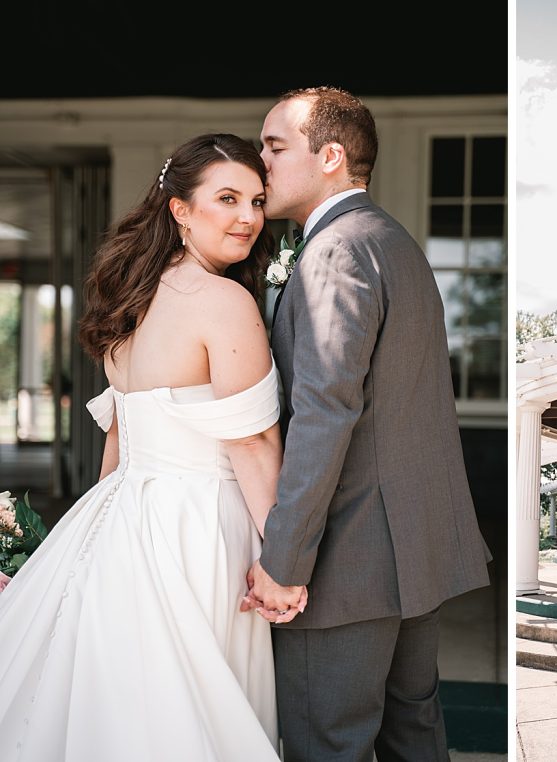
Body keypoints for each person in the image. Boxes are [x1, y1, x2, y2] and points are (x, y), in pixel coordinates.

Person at [0, 133, 290, 760]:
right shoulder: (223, 301)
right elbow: (255, 443)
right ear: (179, 209)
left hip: (121, 515)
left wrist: (97, 524)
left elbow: (119, 441)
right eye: (228, 198)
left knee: (116, 697)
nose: (248, 216)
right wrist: (284, 561)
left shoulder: (127, 302)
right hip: (198, 526)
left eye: (258, 200)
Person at [243, 86, 492, 761]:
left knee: (328, 743)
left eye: (273, 147)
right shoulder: (392, 241)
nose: (259, 161)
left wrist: (285, 559)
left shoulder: (333, 253)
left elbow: (326, 413)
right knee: (412, 736)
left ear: (330, 156)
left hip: (350, 562)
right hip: (414, 553)